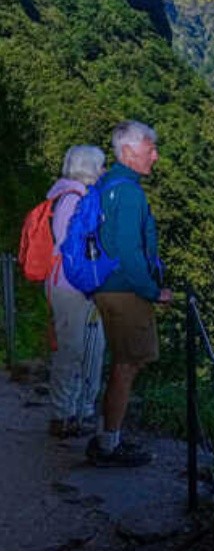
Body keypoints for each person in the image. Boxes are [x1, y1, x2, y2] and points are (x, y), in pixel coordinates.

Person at [86, 120, 172, 467]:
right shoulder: (130, 192)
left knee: (124, 362)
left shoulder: (108, 184)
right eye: (150, 148)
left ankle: (110, 436)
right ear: (128, 151)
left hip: (107, 287)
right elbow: (129, 252)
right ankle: (109, 445)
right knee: (128, 364)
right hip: (125, 291)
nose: (156, 155)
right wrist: (153, 292)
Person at [46, 145, 107, 439]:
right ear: (89, 168)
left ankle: (76, 412)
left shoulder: (69, 196)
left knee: (85, 349)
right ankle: (63, 415)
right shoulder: (74, 199)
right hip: (72, 285)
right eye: (100, 165)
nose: (103, 171)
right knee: (73, 350)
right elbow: (71, 245)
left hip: (72, 284)